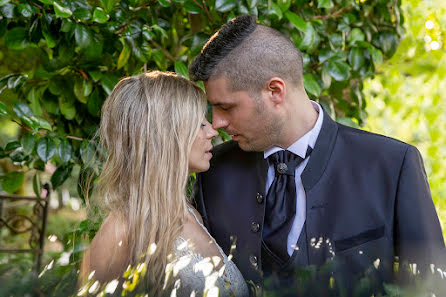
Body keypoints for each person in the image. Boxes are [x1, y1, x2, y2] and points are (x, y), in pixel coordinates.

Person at [190, 15, 445, 296]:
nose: (216, 123)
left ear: (275, 91)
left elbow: (431, 286)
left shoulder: (392, 165)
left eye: (226, 107)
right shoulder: (215, 173)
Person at [80, 71, 249, 297]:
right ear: (166, 135)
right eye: (199, 123)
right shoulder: (121, 230)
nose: (212, 131)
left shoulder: (192, 215)